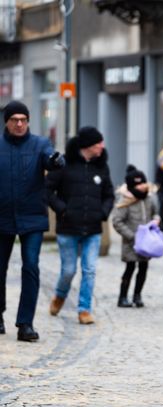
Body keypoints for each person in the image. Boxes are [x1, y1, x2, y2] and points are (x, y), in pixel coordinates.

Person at [0, 100, 65, 342]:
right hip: (2, 217)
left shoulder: (40, 144)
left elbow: (51, 159)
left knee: (30, 267)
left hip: (32, 217)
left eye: (23, 120)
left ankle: (25, 323)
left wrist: (56, 161)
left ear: (28, 121)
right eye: (14, 120)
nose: (19, 124)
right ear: (6, 122)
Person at [46, 126, 114, 325]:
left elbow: (109, 194)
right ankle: (59, 295)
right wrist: (62, 209)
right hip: (68, 228)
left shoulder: (102, 166)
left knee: (89, 270)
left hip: (93, 229)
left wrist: (103, 212)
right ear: (87, 145)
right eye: (98, 143)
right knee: (68, 270)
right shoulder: (63, 165)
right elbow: (47, 190)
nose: (102, 146)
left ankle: (84, 309)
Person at [112, 165, 159, 308]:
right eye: (138, 184)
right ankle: (123, 297)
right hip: (131, 242)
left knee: (143, 268)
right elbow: (117, 221)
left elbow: (155, 213)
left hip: (146, 242)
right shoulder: (125, 200)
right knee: (130, 268)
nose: (142, 187)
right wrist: (132, 236)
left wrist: (156, 220)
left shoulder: (149, 198)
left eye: (143, 183)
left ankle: (137, 295)